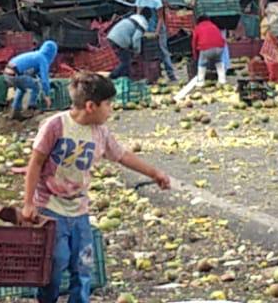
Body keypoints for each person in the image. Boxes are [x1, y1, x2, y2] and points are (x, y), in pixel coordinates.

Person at [22, 72, 170, 303]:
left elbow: (122, 156)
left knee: (83, 266)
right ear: (91, 106)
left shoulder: (101, 133)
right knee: (56, 262)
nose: (111, 110)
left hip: (79, 209)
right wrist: (28, 203)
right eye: (108, 104)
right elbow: (35, 163)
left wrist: (154, 172)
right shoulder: (55, 125)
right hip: (49, 206)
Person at [134, 0, 176, 82]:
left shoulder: (155, 0)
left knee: (163, 51)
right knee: (148, 53)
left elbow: (161, 18)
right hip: (146, 29)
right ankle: (154, 75)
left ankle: (171, 75)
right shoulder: (139, 0)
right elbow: (138, 15)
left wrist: (157, 32)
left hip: (158, 28)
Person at [6, 41, 57, 121]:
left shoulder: (35, 55)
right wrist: (47, 95)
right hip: (15, 75)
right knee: (35, 87)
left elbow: (34, 73)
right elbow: (44, 79)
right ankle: (31, 108)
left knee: (22, 88)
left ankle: (15, 111)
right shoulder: (42, 58)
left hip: (8, 74)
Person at [105, 10, 148, 80]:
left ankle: (124, 77)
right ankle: (112, 76)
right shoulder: (143, 23)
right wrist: (137, 51)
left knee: (124, 58)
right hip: (120, 39)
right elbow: (136, 38)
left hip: (111, 36)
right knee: (126, 62)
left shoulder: (132, 18)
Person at [190, 15, 227, 86]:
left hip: (206, 48)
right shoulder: (214, 26)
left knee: (202, 64)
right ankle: (222, 80)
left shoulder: (198, 28)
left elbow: (194, 42)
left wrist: (195, 55)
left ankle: (200, 82)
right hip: (220, 47)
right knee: (219, 62)